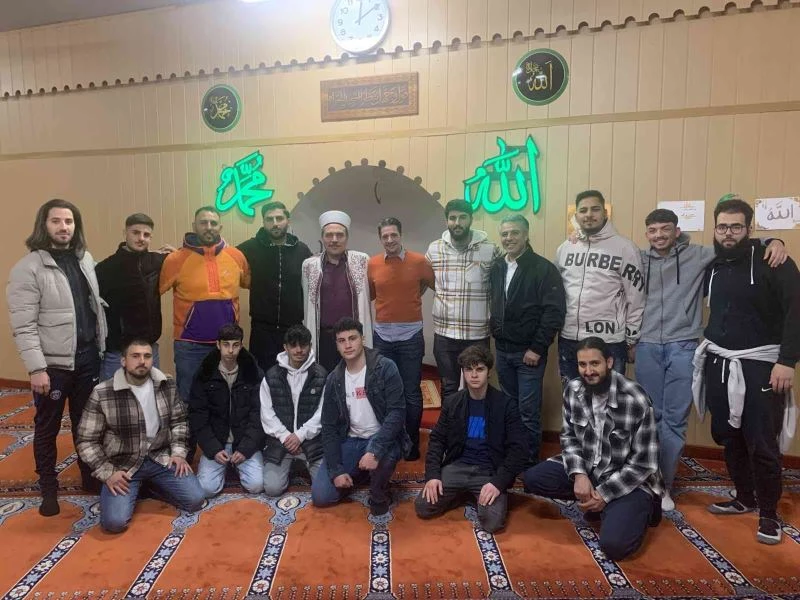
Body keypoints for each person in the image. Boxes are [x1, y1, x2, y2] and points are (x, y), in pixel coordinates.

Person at [635, 207, 786, 511]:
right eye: (653, 230)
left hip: (683, 346)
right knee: (650, 418)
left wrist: (773, 240)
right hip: (646, 345)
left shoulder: (699, 254)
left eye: (665, 229)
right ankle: (646, 480)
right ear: (647, 233)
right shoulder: (637, 258)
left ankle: (664, 485)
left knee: (674, 421)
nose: (659, 235)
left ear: (677, 231)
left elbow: (735, 242)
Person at [692, 197, 800, 545]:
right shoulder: (713, 264)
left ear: (749, 228)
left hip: (762, 365)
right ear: (715, 228)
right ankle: (744, 497)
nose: (728, 233)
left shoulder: (774, 261)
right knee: (728, 435)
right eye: (722, 227)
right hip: (720, 361)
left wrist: (787, 361)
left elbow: (796, 310)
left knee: (763, 442)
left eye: (736, 227)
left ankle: (768, 513)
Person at [7, 199, 108, 516]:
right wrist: (36, 368)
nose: (64, 227)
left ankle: (89, 478)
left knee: (86, 425)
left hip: (88, 358)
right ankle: (48, 489)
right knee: (47, 427)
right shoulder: (28, 268)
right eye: (56, 221)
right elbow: (24, 326)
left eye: (69, 221)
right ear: (44, 225)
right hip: (52, 366)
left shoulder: (85, 259)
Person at [523, 337, 663, 561]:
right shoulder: (573, 389)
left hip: (628, 480)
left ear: (609, 362)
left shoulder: (635, 398)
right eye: (582, 364)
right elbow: (569, 437)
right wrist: (579, 474)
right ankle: (604, 506)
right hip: (590, 468)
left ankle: (641, 508)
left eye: (594, 363)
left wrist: (605, 494)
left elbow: (644, 464)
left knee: (614, 546)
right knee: (532, 479)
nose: (588, 371)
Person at [76, 339, 205, 533]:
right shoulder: (102, 393)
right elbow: (86, 441)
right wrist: (108, 473)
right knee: (114, 523)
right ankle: (141, 487)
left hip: (160, 458)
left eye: (147, 356)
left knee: (195, 500)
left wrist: (178, 453)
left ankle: (148, 486)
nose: (142, 361)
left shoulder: (166, 384)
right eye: (135, 356)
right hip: (124, 466)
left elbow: (179, 421)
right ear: (123, 361)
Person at [159, 206, 250, 459]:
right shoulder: (175, 260)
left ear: (220, 226)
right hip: (189, 345)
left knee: (226, 396)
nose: (208, 227)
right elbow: (151, 291)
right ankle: (185, 452)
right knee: (187, 398)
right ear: (194, 226)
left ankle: (223, 448)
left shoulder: (236, 256)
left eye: (213, 223)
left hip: (227, 346)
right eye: (203, 223)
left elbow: (249, 282)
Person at [415, 345, 527, 532]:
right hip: (458, 466)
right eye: (469, 369)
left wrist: (497, 483)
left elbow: (519, 449)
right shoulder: (452, 402)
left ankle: (470, 494)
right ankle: (464, 494)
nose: (474, 375)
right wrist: (433, 476)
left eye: (480, 369)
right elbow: (437, 440)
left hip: (488, 471)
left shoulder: (506, 405)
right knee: (423, 507)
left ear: (489, 372)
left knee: (492, 523)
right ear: (463, 372)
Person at [311, 318, 409, 516]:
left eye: (352, 338)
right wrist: (336, 471)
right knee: (321, 496)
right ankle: (363, 473)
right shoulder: (334, 379)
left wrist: (375, 450)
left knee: (378, 502)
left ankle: (378, 488)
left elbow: (397, 413)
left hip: (382, 437)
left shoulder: (385, 367)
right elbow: (329, 427)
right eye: (342, 341)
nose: (347, 345)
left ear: (362, 339)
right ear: (337, 345)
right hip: (351, 440)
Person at [489, 214, 565, 464]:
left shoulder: (543, 268)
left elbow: (553, 312)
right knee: (510, 409)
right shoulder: (497, 267)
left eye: (514, 233)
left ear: (526, 235)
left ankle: (529, 462)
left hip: (529, 354)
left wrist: (537, 348)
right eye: (504, 234)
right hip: (503, 351)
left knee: (528, 411)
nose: (509, 238)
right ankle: (514, 456)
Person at [555, 190, 645, 384]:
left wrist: (631, 339)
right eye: (583, 210)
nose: (589, 215)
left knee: (610, 398)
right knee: (572, 397)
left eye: (595, 209)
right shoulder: (565, 248)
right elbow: (557, 292)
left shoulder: (625, 248)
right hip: (569, 338)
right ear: (576, 215)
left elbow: (636, 297)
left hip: (609, 341)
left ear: (605, 213)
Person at [368, 217, 435, 461]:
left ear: (401, 235)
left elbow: (433, 285)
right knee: (384, 391)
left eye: (393, 235)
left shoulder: (419, 261)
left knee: (411, 393)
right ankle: (389, 442)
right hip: (382, 337)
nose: (389, 240)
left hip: (410, 337)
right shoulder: (373, 263)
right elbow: (371, 295)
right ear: (380, 238)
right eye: (385, 236)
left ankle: (411, 444)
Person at [426, 199, 501, 400]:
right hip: (445, 334)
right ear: (446, 221)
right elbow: (425, 281)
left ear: (471, 219)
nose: (457, 222)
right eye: (452, 218)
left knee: (477, 386)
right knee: (448, 386)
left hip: (477, 334)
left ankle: (476, 422)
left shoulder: (490, 249)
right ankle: (451, 422)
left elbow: (502, 283)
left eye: (462, 217)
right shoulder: (434, 249)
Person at [189, 323, 265, 498]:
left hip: (244, 443)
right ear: (218, 345)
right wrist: (213, 449)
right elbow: (198, 416)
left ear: (241, 345)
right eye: (226, 345)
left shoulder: (253, 373)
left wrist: (245, 448)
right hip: (217, 443)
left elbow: (259, 415)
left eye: (235, 345)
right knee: (207, 489)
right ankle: (226, 466)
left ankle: (237, 466)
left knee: (257, 485)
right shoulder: (204, 374)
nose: (230, 350)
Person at [96, 213, 173, 381]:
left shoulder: (157, 262)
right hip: (118, 351)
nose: (141, 238)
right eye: (136, 233)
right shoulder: (105, 268)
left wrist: (177, 254)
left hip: (149, 347)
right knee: (114, 395)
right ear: (125, 233)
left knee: (150, 394)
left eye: (146, 234)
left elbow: (183, 261)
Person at [237, 201, 312, 372]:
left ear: (288, 220)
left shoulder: (302, 250)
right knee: (262, 376)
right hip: (262, 329)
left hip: (293, 327)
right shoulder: (250, 247)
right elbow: (224, 258)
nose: (275, 223)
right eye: (269, 219)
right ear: (263, 222)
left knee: (293, 376)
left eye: (279, 218)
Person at [261, 324, 327, 496]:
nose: (299, 350)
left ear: (310, 346)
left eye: (303, 345)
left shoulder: (321, 375)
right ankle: (292, 465)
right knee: (272, 489)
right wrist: (286, 437)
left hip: (311, 443)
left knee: (325, 491)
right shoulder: (271, 376)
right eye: (293, 345)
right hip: (281, 444)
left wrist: (300, 436)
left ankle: (300, 464)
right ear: (285, 347)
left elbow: (322, 413)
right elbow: (267, 414)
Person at [301, 210, 372, 371]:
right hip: (323, 338)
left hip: (353, 338)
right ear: (322, 237)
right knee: (324, 379)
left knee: (355, 378)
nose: (334, 240)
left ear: (347, 238)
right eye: (329, 235)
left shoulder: (362, 261)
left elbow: (371, 294)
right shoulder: (309, 266)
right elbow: (306, 301)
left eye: (339, 235)